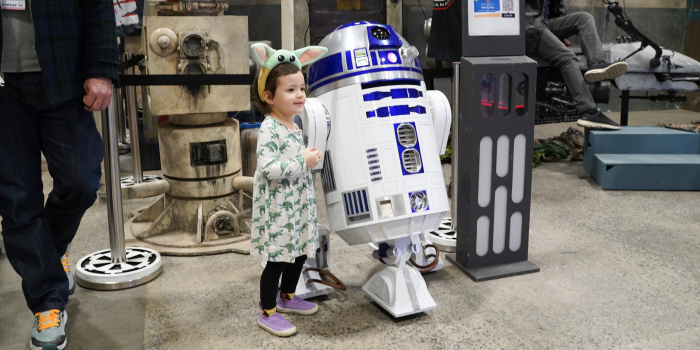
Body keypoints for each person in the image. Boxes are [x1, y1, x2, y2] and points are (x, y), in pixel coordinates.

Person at [0, 0, 118, 349]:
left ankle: (50, 253)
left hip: (63, 72)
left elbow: (98, 7)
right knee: (16, 197)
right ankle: (47, 303)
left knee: (81, 181)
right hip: (3, 86)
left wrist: (100, 68)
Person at [249, 43, 327, 337]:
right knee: (279, 259)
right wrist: (302, 160)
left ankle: (287, 297)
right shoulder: (270, 127)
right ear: (268, 97)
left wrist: (307, 155)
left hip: (297, 206)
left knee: (299, 253)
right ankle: (267, 311)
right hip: (279, 209)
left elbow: (293, 160)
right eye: (291, 90)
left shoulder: (293, 125)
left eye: (302, 89)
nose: (300, 96)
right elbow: (268, 168)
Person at [525, 0, 628, 130]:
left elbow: (558, 10)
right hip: (529, 26)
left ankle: (597, 63)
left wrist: (560, 34)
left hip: (544, 24)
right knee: (567, 58)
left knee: (584, 18)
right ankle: (588, 110)